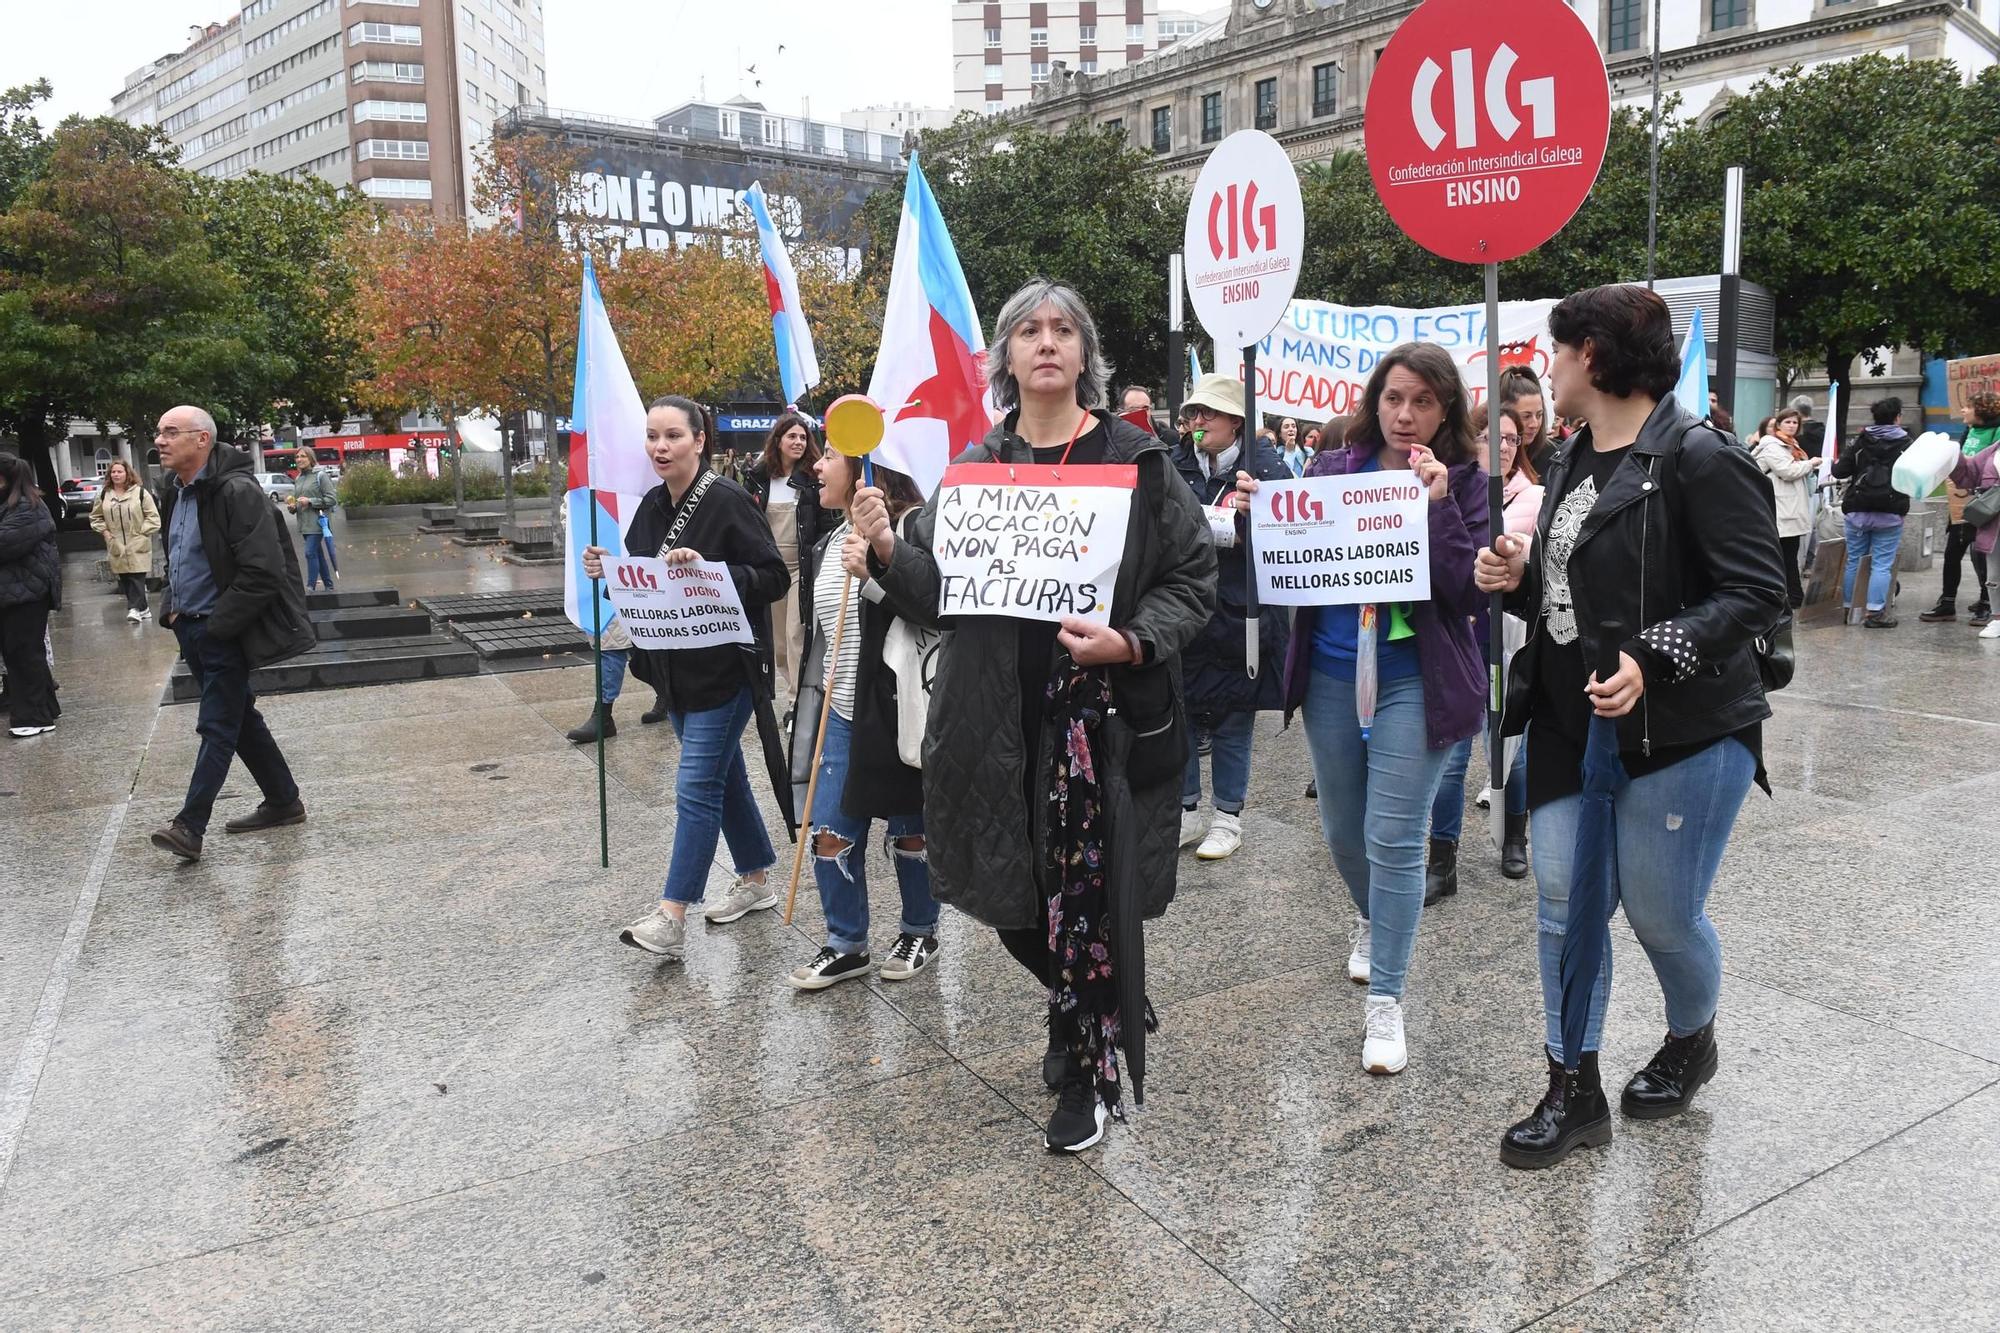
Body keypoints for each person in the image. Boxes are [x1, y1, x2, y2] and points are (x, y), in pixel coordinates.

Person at [853, 277, 1215, 1153]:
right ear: (1007, 357)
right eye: (1029, 331)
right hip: (988, 724)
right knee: (1013, 899)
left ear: (1085, 353)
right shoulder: (975, 468)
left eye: (1063, 330)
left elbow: (1193, 580)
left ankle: (1087, 1064)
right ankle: (1093, 995)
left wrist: (1128, 640)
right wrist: (888, 548)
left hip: (1097, 727)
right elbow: (937, 593)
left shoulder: (1138, 460)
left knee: (1082, 894)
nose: (1047, 342)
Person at [1475, 284, 1786, 1170]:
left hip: (1682, 732)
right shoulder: (1573, 455)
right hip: (1573, 724)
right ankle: (1571, 1085)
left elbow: (1760, 591)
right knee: (1563, 904)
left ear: (1596, 358)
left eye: (1558, 349)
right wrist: (1521, 579)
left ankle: (1691, 1036)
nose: (1546, 367)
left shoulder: (1698, 455)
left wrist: (1657, 652)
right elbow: (1572, 597)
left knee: (1660, 914)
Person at [1239, 343, 1489, 1077]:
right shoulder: (1327, 469)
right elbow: (1288, 562)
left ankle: (1387, 995)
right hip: (1331, 673)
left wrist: (1440, 508)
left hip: (1419, 676)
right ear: (1373, 401)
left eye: (1423, 402)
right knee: (1344, 831)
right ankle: (1376, 916)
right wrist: (1261, 516)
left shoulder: (1467, 481)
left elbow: (1468, 594)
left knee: (1395, 837)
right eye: (1393, 398)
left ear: (1447, 412)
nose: (1405, 414)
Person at [586, 397, 791, 959]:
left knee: (695, 786)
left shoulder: (727, 501)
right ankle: (754, 879)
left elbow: (774, 576)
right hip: (673, 673)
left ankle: (672, 915)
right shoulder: (652, 506)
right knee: (724, 782)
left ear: (699, 440)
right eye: (652, 436)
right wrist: (607, 573)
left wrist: (714, 572)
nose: (660, 447)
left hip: (727, 674)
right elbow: (639, 581)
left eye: (673, 436)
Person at [785, 450, 942, 989]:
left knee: (909, 831)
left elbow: (935, 611)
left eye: (828, 455)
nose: (816, 466)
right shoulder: (826, 543)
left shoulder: (910, 531)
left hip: (897, 710)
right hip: (841, 711)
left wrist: (874, 575)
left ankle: (920, 928)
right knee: (828, 830)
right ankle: (846, 943)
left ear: (864, 467)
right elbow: (818, 636)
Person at [150, 407, 316, 861]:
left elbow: (264, 571)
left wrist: (220, 627)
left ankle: (189, 826)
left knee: (218, 724)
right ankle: (283, 800)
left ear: (202, 439)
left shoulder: (236, 492)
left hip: (220, 628)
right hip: (192, 626)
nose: (160, 441)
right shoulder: (175, 490)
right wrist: (171, 609)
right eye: (158, 433)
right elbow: (177, 556)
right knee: (239, 716)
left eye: (170, 433)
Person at [1174, 372, 1292, 862]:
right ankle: (1185, 810)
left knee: (1232, 716)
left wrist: (1254, 516)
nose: (1196, 423)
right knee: (1177, 710)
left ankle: (1227, 816)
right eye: (1192, 414)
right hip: (1184, 606)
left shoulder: (1265, 468)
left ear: (1236, 421)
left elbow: (1292, 531)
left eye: (1208, 414)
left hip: (1243, 611)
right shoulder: (1174, 462)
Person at [1428, 406, 1539, 895]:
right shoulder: (1451, 486)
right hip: (1461, 637)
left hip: (1503, 636)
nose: (1505, 446)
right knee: (1451, 757)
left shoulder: (1531, 496)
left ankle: (1515, 836)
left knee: (1508, 747)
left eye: (1513, 439)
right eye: (1493, 436)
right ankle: (1442, 857)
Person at [742, 413, 827, 702]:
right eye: (792, 436)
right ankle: (792, 686)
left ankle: (797, 700)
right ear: (778, 440)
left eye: (803, 437)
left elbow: (824, 525)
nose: (799, 442)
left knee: (796, 635)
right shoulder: (758, 477)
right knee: (777, 643)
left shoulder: (813, 480)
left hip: (800, 570)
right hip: (770, 571)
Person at [1832, 397, 1913, 628]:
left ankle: (1848, 608)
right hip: (1890, 512)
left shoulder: (1860, 441)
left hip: (1857, 510)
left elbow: (1839, 472)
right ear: (1897, 417)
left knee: (1854, 561)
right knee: (1881, 564)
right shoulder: (1907, 443)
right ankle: (1875, 613)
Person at [1922, 392, 1998, 626]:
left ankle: (1988, 604)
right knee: (1952, 552)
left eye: (1968, 406)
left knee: (1984, 556)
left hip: (1987, 506)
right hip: (1961, 504)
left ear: (1982, 410)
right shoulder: (1969, 432)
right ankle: (1947, 603)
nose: (1963, 411)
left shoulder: (1996, 434)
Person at [0, 454, 62, 739]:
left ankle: (34, 716)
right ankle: (46, 706)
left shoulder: (28, 507)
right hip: (15, 592)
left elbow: (6, 544)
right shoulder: (10, 506)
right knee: (22, 651)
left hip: (27, 593)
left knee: (23, 652)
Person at [1752, 406, 1817, 609]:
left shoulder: (1791, 445)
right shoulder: (1772, 446)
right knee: (1783, 557)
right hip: (1780, 510)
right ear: (1778, 425)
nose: (1791, 426)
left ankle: (1793, 596)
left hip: (1789, 509)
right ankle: (1789, 597)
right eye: (1787, 422)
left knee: (1788, 556)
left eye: (1795, 422)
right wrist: (1811, 463)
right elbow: (1787, 471)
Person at [1946, 422, 2000, 639]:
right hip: (1995, 524)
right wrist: (1951, 456)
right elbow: (1968, 473)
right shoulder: (1994, 450)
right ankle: (1997, 618)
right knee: (1995, 574)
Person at [89, 459, 160, 623]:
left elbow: (153, 518)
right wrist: (106, 533)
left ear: (127, 473)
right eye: (113, 472)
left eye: (119, 471)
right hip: (116, 543)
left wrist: (142, 533)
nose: (116, 474)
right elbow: (96, 517)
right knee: (126, 579)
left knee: (137, 577)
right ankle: (143, 608)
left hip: (137, 542)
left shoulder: (140, 493)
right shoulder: (104, 495)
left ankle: (133, 609)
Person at [288, 448, 339, 592]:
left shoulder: (320, 476)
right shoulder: (298, 478)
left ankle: (310, 587)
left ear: (311, 458)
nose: (299, 459)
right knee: (318, 554)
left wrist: (310, 501)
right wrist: (293, 507)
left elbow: (331, 499)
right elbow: (299, 502)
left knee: (310, 553)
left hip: (319, 523)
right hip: (304, 524)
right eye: (297, 457)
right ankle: (329, 585)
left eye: (303, 456)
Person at [1502, 366, 1555, 477]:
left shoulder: (1554, 457)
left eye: (1539, 415)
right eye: (1526, 416)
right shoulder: (1487, 458)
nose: (1534, 424)